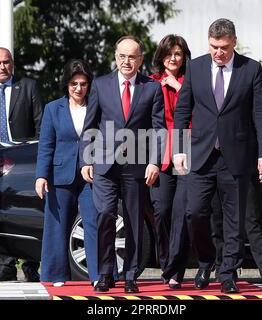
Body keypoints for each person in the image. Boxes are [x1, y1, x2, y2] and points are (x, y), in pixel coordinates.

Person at [173, 18, 262, 293]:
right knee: (194, 212)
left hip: (236, 156)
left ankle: (227, 272)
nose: (218, 52)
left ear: (234, 43)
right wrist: (178, 149)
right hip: (200, 155)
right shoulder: (195, 68)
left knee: (234, 219)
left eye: (224, 48)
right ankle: (206, 261)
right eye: (214, 47)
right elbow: (182, 110)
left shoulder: (250, 69)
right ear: (208, 43)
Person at [80, 36, 165, 293]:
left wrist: (154, 162)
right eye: (122, 56)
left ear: (140, 59)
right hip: (104, 165)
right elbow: (90, 125)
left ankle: (130, 275)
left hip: (137, 165)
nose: (126, 61)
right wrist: (86, 158)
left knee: (134, 221)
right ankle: (106, 273)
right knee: (105, 213)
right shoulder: (100, 85)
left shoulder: (151, 88)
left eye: (132, 57)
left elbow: (158, 130)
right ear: (115, 57)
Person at [0, 47, 44, 282]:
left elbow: (40, 124)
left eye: (7, 62)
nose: (3, 67)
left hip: (24, 162)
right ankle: (6, 265)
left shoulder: (28, 87)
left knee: (29, 211)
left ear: (12, 63)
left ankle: (31, 265)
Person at [35, 59, 99, 287]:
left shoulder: (96, 107)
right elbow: (46, 145)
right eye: (74, 84)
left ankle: (97, 276)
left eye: (83, 83)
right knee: (57, 225)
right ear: (66, 84)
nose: (79, 88)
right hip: (60, 174)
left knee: (93, 222)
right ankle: (56, 274)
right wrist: (41, 176)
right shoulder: (53, 108)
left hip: (90, 175)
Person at [148, 34, 192, 289]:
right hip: (160, 155)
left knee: (182, 214)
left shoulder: (192, 83)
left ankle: (176, 270)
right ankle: (166, 263)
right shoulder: (151, 83)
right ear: (161, 57)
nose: (173, 58)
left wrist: (179, 88)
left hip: (187, 152)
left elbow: (203, 117)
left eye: (178, 53)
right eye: (169, 53)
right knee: (161, 211)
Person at [211, 169, 262, 285]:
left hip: (243, 165)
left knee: (252, 221)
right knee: (217, 222)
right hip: (213, 168)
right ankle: (221, 268)